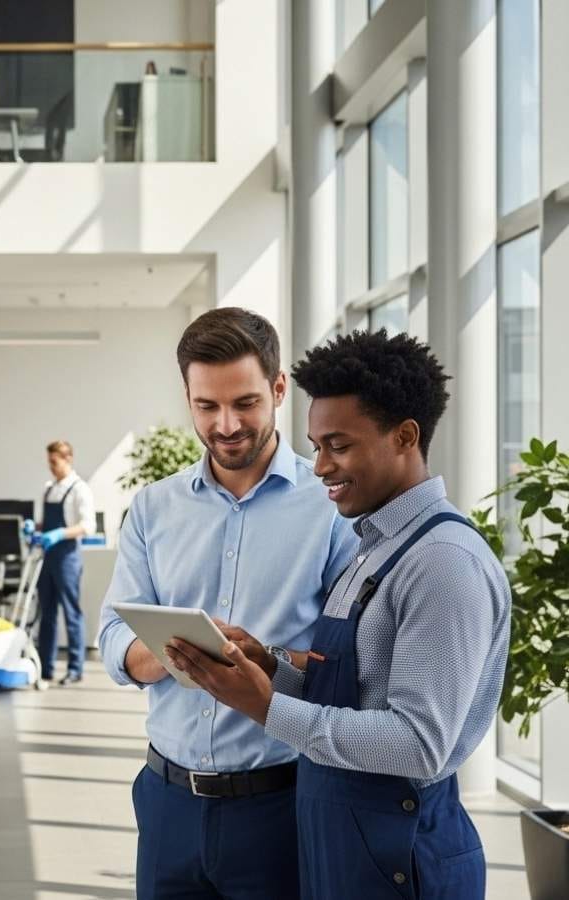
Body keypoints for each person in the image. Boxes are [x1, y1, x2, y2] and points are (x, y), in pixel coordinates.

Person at [164, 330, 511, 900]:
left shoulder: (443, 563)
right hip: (348, 846)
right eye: (316, 444)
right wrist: (270, 663)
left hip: (401, 855)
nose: (320, 465)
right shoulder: (374, 545)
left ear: (404, 437)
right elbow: (355, 688)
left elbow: (419, 743)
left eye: (338, 445)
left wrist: (264, 705)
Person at [98, 308, 357, 899]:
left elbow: (354, 663)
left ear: (280, 388)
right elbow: (113, 634)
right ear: (188, 398)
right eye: (206, 407)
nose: (227, 424)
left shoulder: (332, 507)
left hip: (283, 803)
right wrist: (170, 652)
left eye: (245, 403)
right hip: (168, 803)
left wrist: (265, 659)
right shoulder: (153, 509)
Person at [35, 440, 96, 686]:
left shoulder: (79, 489)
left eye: (54, 462)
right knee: (46, 613)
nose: (51, 467)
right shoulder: (49, 489)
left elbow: (88, 526)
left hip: (67, 557)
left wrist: (59, 533)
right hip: (47, 558)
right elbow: (44, 523)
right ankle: (45, 668)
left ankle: (75, 668)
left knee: (71, 613)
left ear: (68, 458)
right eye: (49, 462)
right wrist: (35, 529)